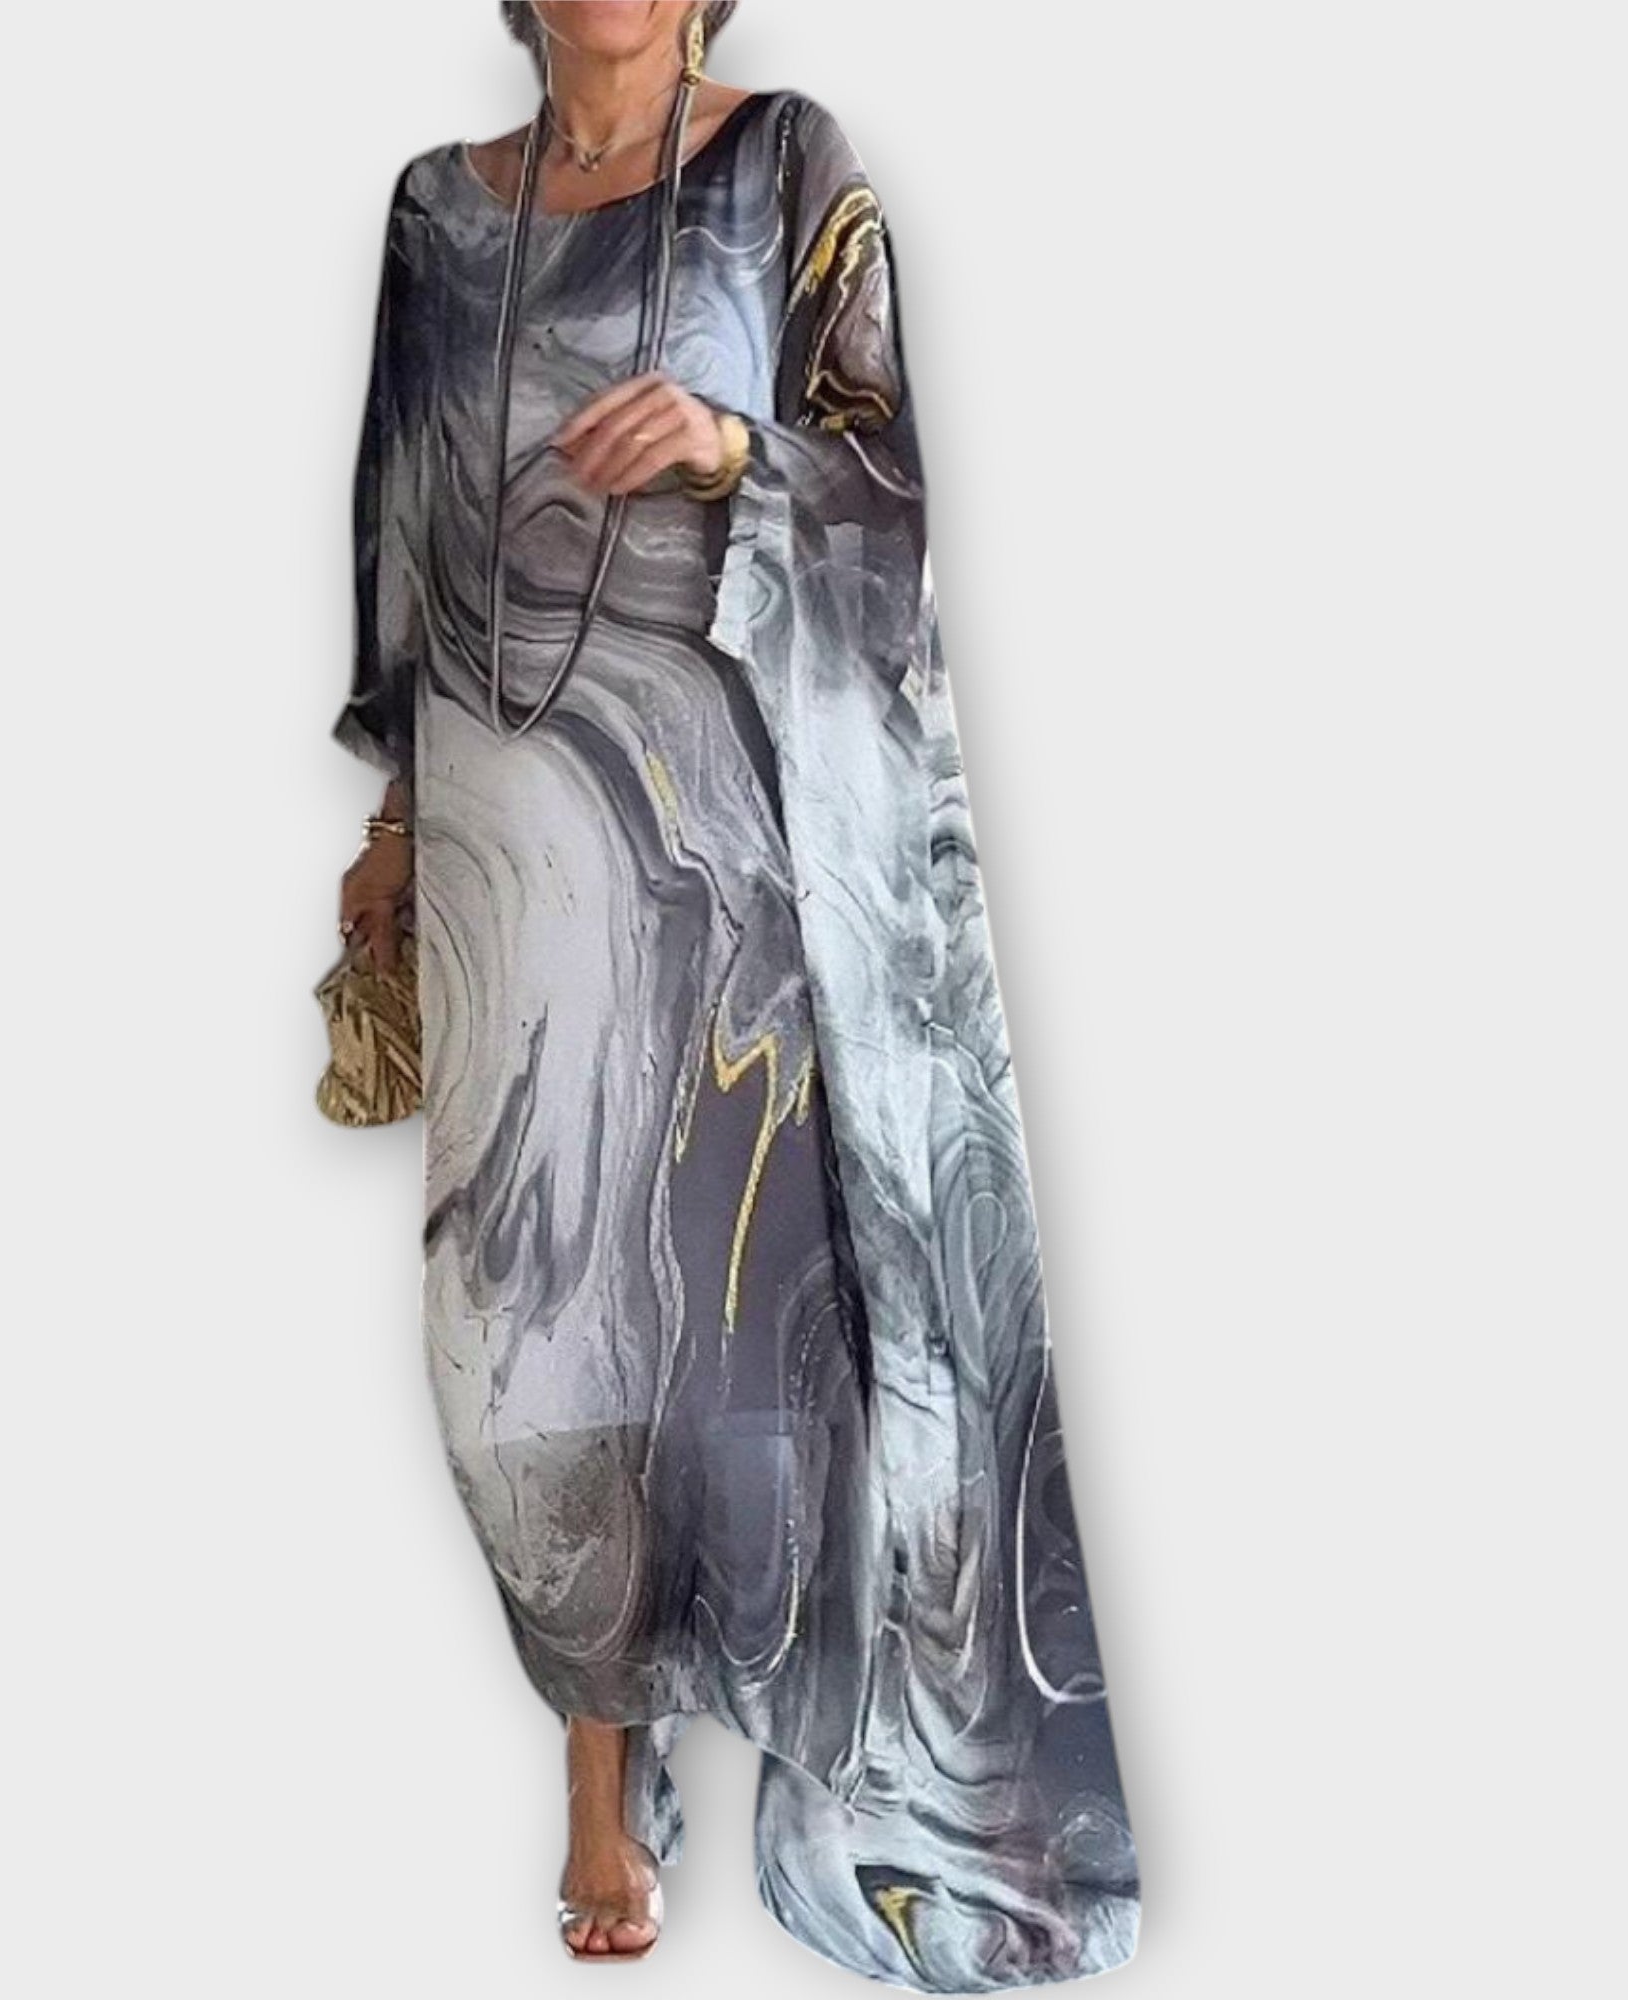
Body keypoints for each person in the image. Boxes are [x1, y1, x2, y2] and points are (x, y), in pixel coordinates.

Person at [330, 2, 1141, 1986]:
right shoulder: (437, 215)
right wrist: (397, 823)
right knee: (517, 1358)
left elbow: (887, 494)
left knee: (731, 1351)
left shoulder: (787, 167)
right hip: (510, 861)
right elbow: (404, 541)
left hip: (732, 866)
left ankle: (688, 1764)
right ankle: (604, 1742)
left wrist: (727, 447)